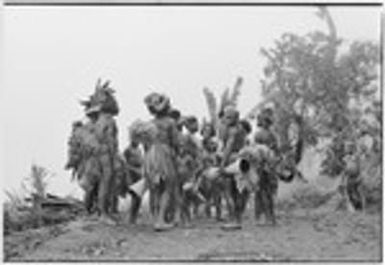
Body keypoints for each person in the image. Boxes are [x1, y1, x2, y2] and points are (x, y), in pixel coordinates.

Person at [143, 92, 180, 231]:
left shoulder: (149, 124)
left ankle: (155, 219)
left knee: (156, 188)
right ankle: (160, 219)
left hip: (151, 155)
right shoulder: (170, 122)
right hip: (164, 153)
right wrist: (175, 154)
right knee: (167, 187)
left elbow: (145, 144)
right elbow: (175, 142)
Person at [218, 105, 249, 229]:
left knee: (229, 191)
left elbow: (229, 147)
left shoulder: (232, 130)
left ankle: (233, 219)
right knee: (238, 191)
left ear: (236, 117)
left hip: (232, 160)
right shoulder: (241, 129)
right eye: (226, 117)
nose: (226, 120)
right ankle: (237, 218)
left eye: (229, 117)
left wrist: (222, 164)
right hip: (241, 159)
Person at [253, 107, 279, 225]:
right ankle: (270, 217)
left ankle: (263, 217)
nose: (258, 121)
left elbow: (258, 152)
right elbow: (275, 151)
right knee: (267, 192)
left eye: (260, 119)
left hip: (262, 165)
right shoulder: (272, 135)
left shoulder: (259, 134)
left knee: (262, 192)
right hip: (269, 165)